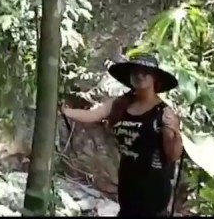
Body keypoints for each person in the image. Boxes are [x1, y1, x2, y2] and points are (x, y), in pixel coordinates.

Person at [61, 53, 184, 217]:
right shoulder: (120, 104)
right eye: (135, 72)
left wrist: (175, 130)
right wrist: (63, 111)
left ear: (155, 78)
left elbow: (173, 154)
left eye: (145, 72)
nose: (139, 75)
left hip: (153, 189)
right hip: (127, 184)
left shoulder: (163, 112)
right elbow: (92, 116)